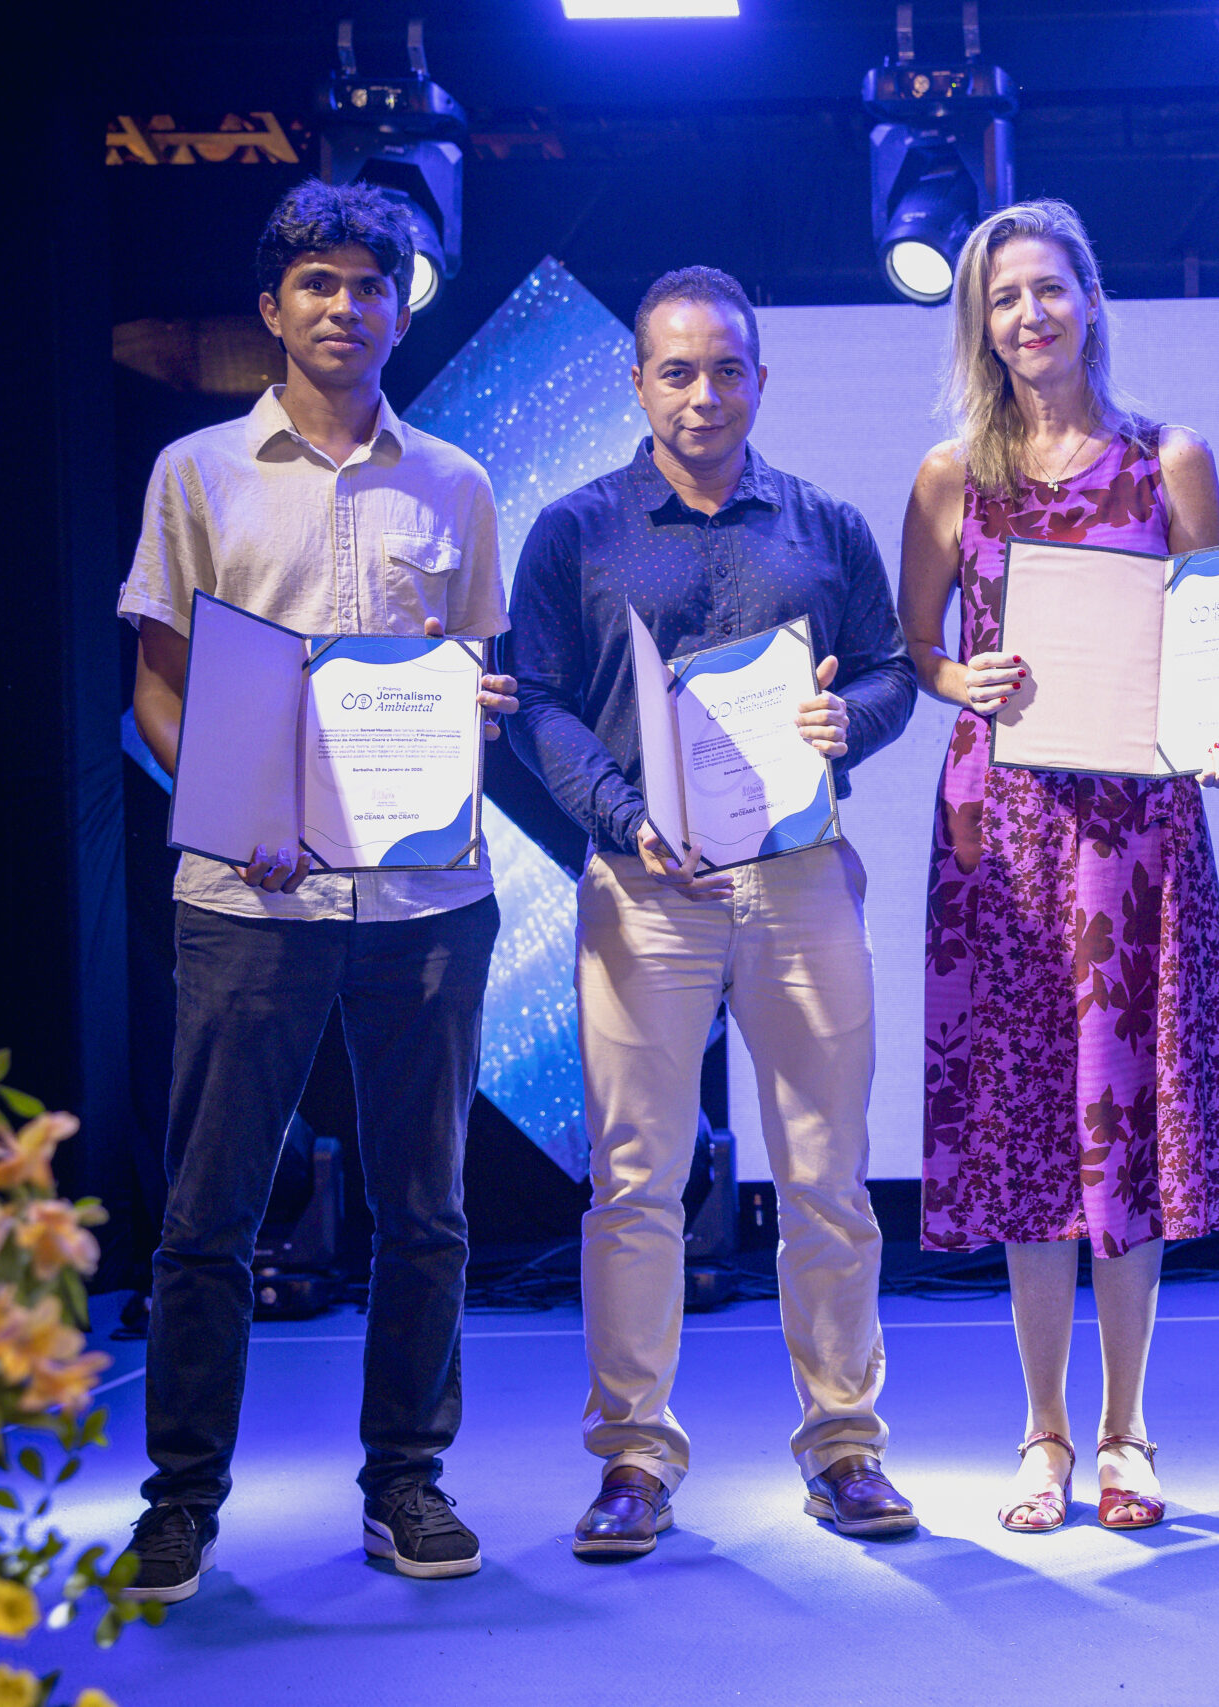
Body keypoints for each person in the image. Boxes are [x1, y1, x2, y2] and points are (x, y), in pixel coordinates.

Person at [113, 179, 519, 1600]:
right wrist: (242, 812)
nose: (347, 306)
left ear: (402, 313)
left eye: (371, 285)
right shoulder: (196, 471)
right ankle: (180, 1499)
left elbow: (468, 683)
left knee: (428, 1209)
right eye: (319, 284)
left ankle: (406, 1479)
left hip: (424, 899)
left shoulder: (457, 482)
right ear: (273, 308)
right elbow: (158, 689)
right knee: (208, 1214)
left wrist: (476, 710)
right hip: (247, 896)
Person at [508, 265, 920, 1556]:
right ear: (637, 382)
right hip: (645, 884)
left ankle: (845, 1444)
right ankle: (633, 1454)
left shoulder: (823, 522)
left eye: (726, 369)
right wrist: (621, 814)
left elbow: (894, 672)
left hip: (801, 877)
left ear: (759, 378)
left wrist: (848, 718)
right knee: (636, 1183)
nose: (703, 393)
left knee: (827, 1177)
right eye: (677, 371)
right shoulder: (574, 530)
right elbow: (535, 701)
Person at [897, 199, 1219, 1534]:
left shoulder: (1172, 459)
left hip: (1134, 834)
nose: (1029, 314)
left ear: (1091, 298)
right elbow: (917, 650)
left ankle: (1127, 1429)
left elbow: (1218, 649)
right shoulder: (949, 476)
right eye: (1003, 298)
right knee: (1024, 1127)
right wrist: (962, 677)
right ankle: (1042, 1431)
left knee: (1123, 1125)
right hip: (1000, 835)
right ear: (979, 324)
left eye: (1049, 288)